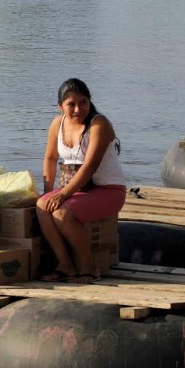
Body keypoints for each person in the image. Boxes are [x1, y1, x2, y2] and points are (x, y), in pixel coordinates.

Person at [36, 78, 126, 284]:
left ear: (90, 101)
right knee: (42, 206)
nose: (78, 109)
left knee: (61, 211)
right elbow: (50, 158)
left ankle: (89, 267)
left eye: (83, 102)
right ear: (60, 107)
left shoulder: (99, 124)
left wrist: (62, 194)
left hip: (108, 190)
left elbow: (90, 167)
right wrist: (48, 191)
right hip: (78, 190)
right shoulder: (57, 124)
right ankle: (65, 265)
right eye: (71, 104)